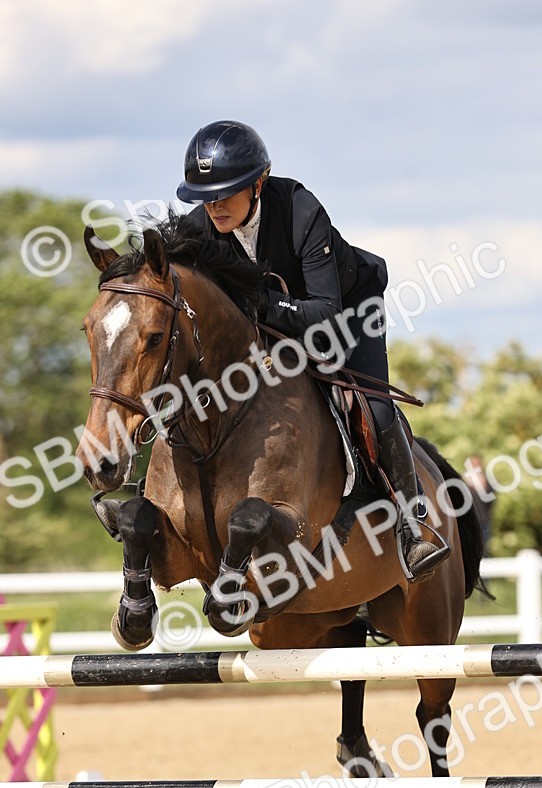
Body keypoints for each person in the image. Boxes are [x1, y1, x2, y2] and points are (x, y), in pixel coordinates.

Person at [175, 119, 450, 583]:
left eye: (226, 193)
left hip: (346, 311)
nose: (215, 206)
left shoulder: (301, 211)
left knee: (374, 405)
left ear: (257, 184)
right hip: (268, 327)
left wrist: (265, 302)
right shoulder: (198, 228)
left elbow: (324, 318)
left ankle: (412, 520)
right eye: (206, 196)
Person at [463, 455, 495, 550]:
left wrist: (483, 486)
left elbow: (491, 499)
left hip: (483, 520)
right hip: (468, 520)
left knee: (483, 548)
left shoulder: (485, 480)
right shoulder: (464, 481)